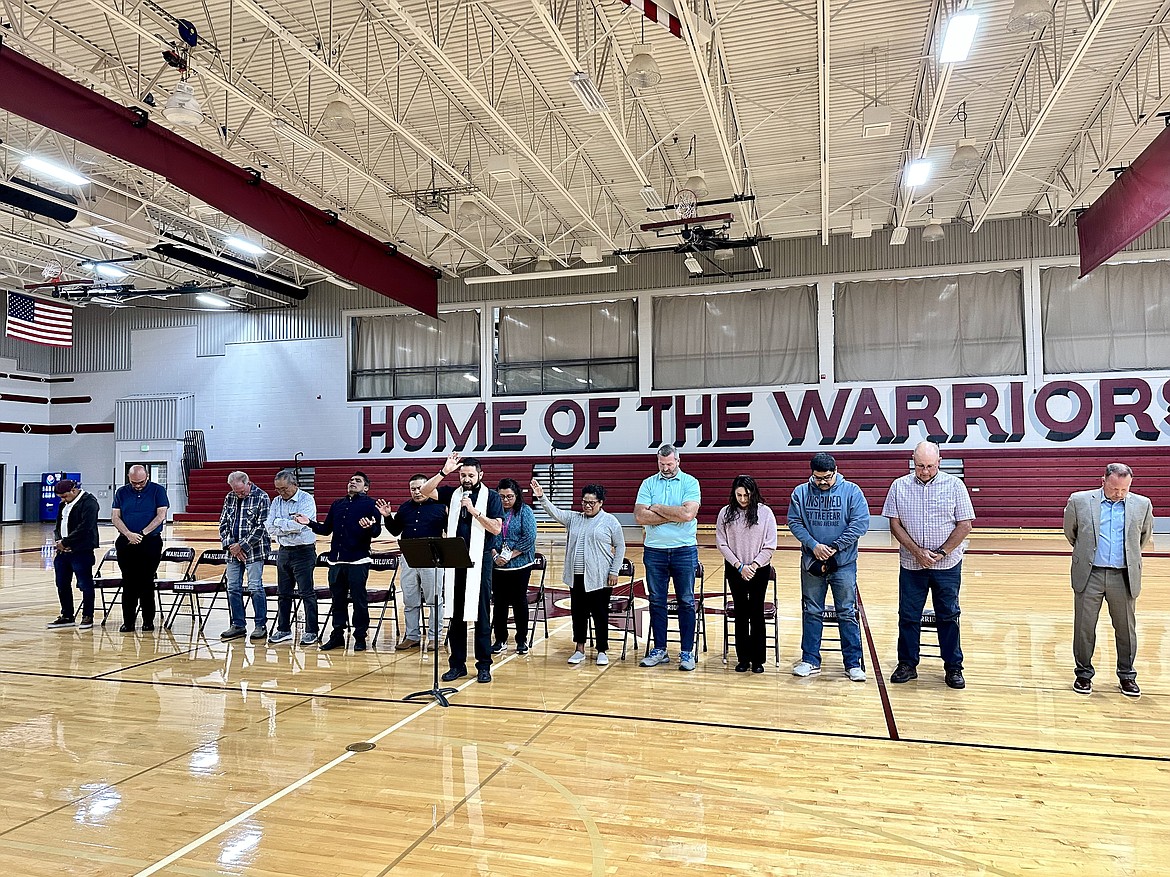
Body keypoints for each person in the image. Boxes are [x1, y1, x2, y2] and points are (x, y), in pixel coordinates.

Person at [882, 441, 975, 690]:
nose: (924, 471)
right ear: (912, 461)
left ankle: (954, 667)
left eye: (930, 466)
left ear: (939, 462)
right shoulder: (898, 486)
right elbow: (895, 524)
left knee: (948, 616)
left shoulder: (955, 485)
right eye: (920, 466)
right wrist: (917, 552)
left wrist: (942, 552)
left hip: (947, 566)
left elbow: (965, 525)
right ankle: (907, 665)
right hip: (912, 565)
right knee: (908, 616)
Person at [1064, 463, 1154, 698]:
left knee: (1126, 630)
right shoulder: (1079, 501)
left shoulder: (1142, 504)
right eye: (1114, 488)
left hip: (1123, 575)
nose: (1119, 494)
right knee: (1084, 628)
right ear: (1103, 480)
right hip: (1090, 573)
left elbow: (1142, 538)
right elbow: (1071, 533)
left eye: (1124, 489)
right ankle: (1083, 674)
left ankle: (1127, 676)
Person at [420, 452, 503, 684]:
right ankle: (457, 664)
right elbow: (425, 492)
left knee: (481, 615)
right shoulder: (452, 494)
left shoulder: (491, 497)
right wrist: (444, 471)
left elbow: (496, 529)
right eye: (462, 474)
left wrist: (475, 511)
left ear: (480, 475)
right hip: (454, 559)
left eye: (470, 475)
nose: (466, 479)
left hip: (481, 561)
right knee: (455, 615)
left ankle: (484, 665)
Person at [787, 454, 870, 681]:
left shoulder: (852, 492)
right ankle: (810, 660)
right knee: (811, 610)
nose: (822, 482)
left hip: (843, 564)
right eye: (817, 478)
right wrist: (814, 546)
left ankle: (853, 663)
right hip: (812, 562)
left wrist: (834, 547)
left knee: (846, 612)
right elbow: (794, 522)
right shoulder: (801, 493)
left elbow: (860, 523)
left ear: (836, 471)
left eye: (827, 478)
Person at [532, 479, 625, 666]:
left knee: (600, 614)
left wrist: (614, 571)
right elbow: (555, 512)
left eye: (591, 503)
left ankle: (601, 650)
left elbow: (620, 546)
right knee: (579, 613)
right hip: (576, 578)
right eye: (584, 502)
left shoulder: (610, 521)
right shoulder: (574, 518)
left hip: (600, 578)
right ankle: (579, 648)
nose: (587, 506)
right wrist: (541, 497)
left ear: (600, 503)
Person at [294, 472, 381, 652]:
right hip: (336, 561)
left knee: (359, 601)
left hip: (358, 561)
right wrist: (309, 522)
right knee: (338, 601)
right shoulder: (337, 504)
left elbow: (376, 532)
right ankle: (338, 635)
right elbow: (326, 530)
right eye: (350, 480)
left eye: (358, 481)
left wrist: (370, 527)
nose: (352, 483)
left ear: (366, 487)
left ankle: (360, 636)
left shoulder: (371, 504)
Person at [634, 444, 701, 671]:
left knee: (686, 601)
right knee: (656, 601)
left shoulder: (690, 483)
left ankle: (686, 652)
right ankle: (659, 649)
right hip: (654, 552)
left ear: (678, 462)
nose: (665, 468)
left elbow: (688, 513)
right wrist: (675, 515)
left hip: (684, 550)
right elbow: (641, 517)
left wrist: (658, 508)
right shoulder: (648, 483)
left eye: (669, 464)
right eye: (662, 464)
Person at [377, 474, 447, 650]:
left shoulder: (440, 507)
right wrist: (386, 517)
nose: (417, 492)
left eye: (420, 488)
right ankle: (412, 636)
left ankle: (435, 637)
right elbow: (395, 531)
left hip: (433, 559)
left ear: (429, 487)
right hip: (408, 558)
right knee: (410, 600)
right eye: (413, 489)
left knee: (434, 600)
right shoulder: (405, 508)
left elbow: (451, 531)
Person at [716, 475, 777, 674]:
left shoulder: (765, 513)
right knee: (741, 613)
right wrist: (739, 566)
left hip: (759, 570)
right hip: (735, 570)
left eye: (746, 495)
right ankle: (743, 658)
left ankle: (758, 659)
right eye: (739, 495)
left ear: (753, 494)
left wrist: (754, 565)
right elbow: (722, 543)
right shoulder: (725, 513)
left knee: (756, 613)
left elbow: (770, 545)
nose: (743, 499)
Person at [109, 464, 170, 633]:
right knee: (128, 582)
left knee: (145, 581)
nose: (137, 486)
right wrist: (128, 534)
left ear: (147, 476)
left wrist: (142, 533)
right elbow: (115, 516)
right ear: (129, 478)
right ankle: (128, 621)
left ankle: (148, 621)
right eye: (134, 482)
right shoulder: (121, 492)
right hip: (126, 541)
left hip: (149, 542)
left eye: (141, 482)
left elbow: (161, 515)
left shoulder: (158, 491)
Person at [264, 469, 317, 645]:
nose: (281, 493)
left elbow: (300, 526)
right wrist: (284, 523)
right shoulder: (276, 501)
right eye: (278, 489)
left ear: (295, 485)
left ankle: (311, 631)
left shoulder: (306, 499)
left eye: (284, 489)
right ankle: (283, 629)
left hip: (304, 551)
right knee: (283, 594)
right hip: (284, 551)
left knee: (306, 593)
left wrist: (280, 523)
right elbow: (269, 526)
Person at [217, 471, 271, 642]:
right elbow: (223, 523)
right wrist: (231, 545)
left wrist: (242, 545)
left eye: (242, 491)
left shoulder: (262, 497)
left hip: (254, 551)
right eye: (236, 491)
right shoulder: (229, 497)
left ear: (248, 483)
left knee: (255, 587)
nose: (239, 494)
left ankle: (260, 625)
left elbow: (262, 527)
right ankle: (238, 624)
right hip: (232, 551)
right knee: (232, 587)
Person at [490, 478, 538, 656]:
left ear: (516, 495)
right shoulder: (493, 511)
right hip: (497, 565)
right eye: (501, 496)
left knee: (519, 602)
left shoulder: (525, 512)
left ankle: (521, 640)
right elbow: (487, 535)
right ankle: (500, 639)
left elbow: (529, 537)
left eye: (509, 496)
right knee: (499, 603)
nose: (506, 500)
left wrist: (509, 555)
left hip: (519, 565)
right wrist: (495, 555)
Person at [46, 478, 100, 631]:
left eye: (65, 496)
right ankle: (67, 615)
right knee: (62, 583)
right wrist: (59, 540)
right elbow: (58, 524)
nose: (62, 500)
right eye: (60, 497)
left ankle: (87, 615)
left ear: (74, 490)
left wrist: (68, 542)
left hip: (81, 551)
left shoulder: (89, 502)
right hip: (63, 551)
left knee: (85, 584)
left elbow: (86, 527)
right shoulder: (64, 504)